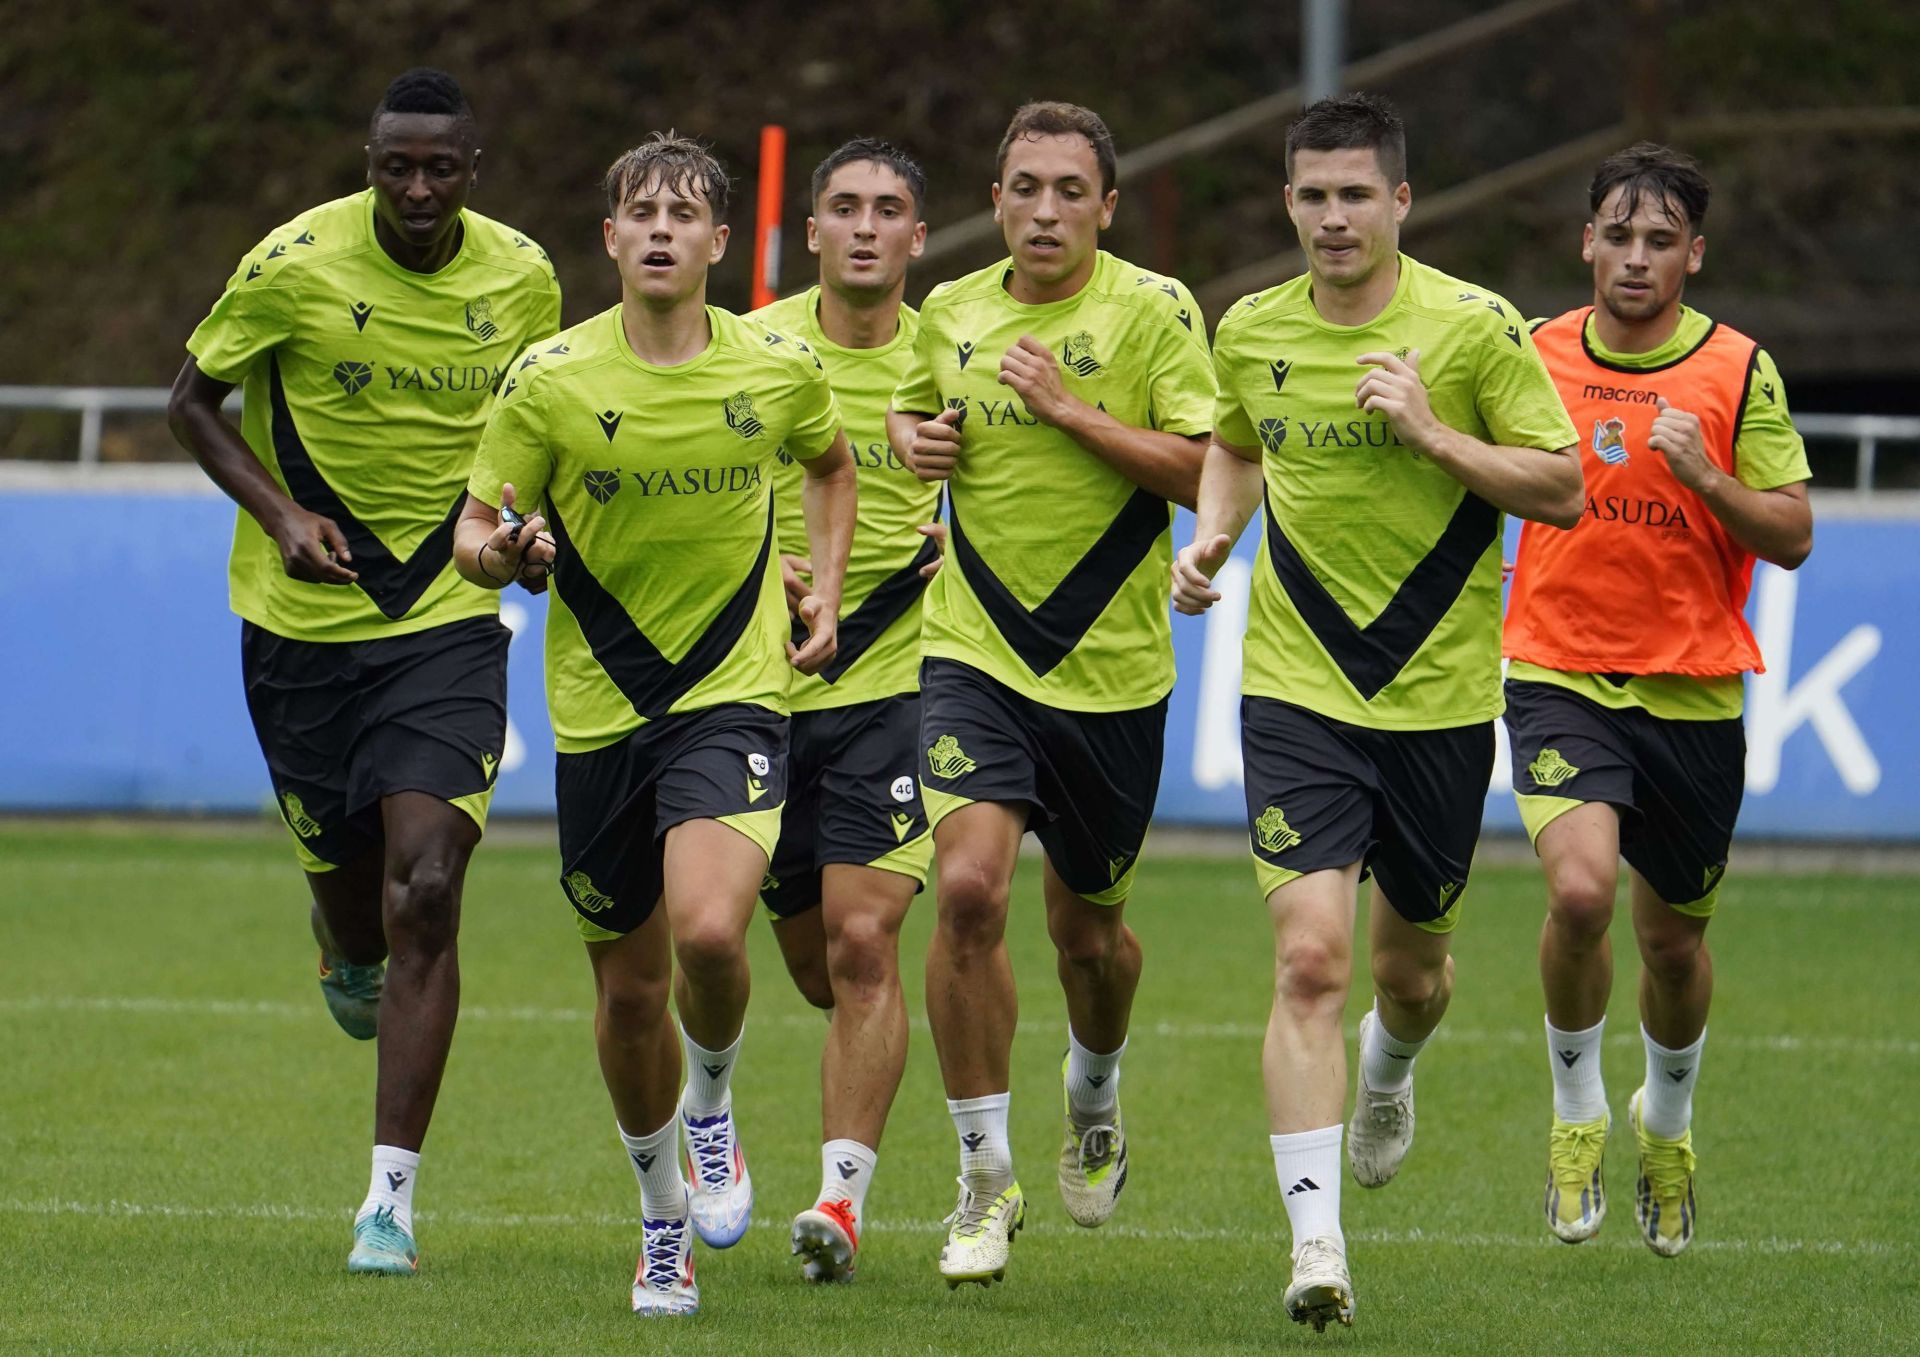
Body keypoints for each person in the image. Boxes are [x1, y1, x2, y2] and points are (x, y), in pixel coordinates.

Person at [1172, 93, 1582, 1330]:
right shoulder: (1250, 327)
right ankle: (1316, 1250)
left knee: (1410, 974)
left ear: (1401, 201)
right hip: (1297, 687)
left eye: (1358, 193)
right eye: (1314, 194)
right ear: (1288, 201)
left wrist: (1431, 432)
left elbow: (1560, 486)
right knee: (1310, 960)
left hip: (1441, 704)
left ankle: (1390, 1064)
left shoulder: (1471, 329)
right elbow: (1236, 442)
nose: (1334, 216)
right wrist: (1212, 535)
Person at [166, 68, 560, 1276]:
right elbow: (190, 401)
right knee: (359, 909)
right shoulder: (293, 262)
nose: (420, 188)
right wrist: (282, 514)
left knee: (429, 884)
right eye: (398, 165)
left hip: (448, 607)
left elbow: (541, 423)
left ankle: (386, 1201)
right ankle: (342, 948)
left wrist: (529, 533)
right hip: (303, 621)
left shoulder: (525, 276)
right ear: (369, 161)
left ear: (473, 170)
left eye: (443, 167)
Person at [454, 131, 856, 1316]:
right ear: (613, 236)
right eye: (644, 210)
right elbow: (473, 532)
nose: (665, 228)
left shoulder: (776, 367)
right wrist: (509, 553)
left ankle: (717, 1101)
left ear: (721, 242)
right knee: (631, 994)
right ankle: (660, 1219)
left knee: (714, 935)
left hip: (731, 695)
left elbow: (831, 466)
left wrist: (823, 585)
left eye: (687, 212)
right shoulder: (551, 380)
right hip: (597, 717)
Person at [888, 101, 1215, 1289]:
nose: (1043, 211)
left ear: (1107, 207)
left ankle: (1094, 1086)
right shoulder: (953, 313)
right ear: (995, 196)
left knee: (1092, 941)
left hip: (1112, 676)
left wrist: (1073, 413)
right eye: (1024, 187)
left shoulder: (1154, 309)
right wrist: (915, 440)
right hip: (974, 654)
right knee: (966, 890)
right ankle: (983, 1176)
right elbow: (921, 422)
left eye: (1070, 191)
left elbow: (1208, 464)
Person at [1504, 142, 1813, 1257]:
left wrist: (1707, 478)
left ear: (1695, 252)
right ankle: (1578, 1111)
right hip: (1556, 671)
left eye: (1659, 239)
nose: (1635, 259)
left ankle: (1666, 1127)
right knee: (1580, 894)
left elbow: (1793, 536)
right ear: (1587, 240)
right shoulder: (1529, 353)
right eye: (1616, 235)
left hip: (1692, 692)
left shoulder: (1736, 370)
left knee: (1673, 946)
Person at [748, 138, 939, 1284]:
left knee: (866, 942)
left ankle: (841, 1202)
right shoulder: (750, 349)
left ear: (921, 237)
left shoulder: (955, 357)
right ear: (810, 230)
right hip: (758, 695)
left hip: (902, 688)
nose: (866, 226)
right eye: (844, 208)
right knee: (818, 968)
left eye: (890, 210)